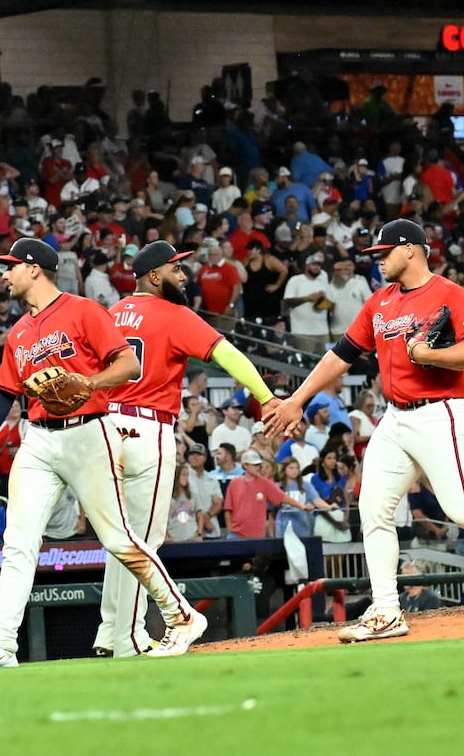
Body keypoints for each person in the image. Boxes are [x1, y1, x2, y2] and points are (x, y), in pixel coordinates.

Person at [267, 219, 464, 644]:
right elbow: (343, 355)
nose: (379, 261)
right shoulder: (379, 302)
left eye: (384, 253)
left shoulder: (449, 293)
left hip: (441, 412)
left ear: (410, 250)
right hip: (396, 418)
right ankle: (387, 609)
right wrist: (297, 399)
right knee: (373, 510)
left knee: (461, 507)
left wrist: (430, 352)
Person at [0, 237, 208, 668]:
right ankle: (2, 646)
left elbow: (129, 365)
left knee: (117, 538)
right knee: (17, 543)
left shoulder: (84, 311)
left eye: (11, 266)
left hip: (88, 433)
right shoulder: (18, 332)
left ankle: (181, 615)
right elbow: (2, 394)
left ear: (34, 269)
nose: (4, 273)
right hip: (36, 439)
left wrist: (89, 384)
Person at [93, 242, 287, 655]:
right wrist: (266, 396)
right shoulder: (174, 314)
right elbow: (227, 354)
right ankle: (132, 636)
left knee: (118, 538)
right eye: (176, 270)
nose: (184, 277)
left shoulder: (111, 313)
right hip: (147, 429)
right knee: (141, 540)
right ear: (154, 276)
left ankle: (112, 632)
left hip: (106, 428)